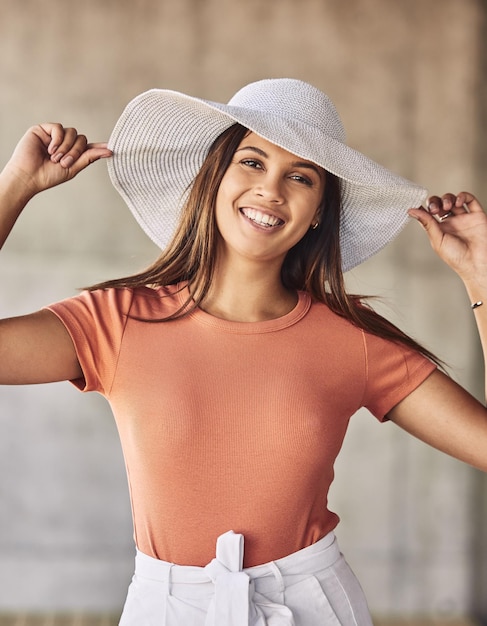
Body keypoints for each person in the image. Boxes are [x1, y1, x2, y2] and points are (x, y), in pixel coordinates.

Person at [0, 78, 486, 626]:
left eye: (300, 177)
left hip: (312, 607)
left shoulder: (355, 341)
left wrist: (481, 275)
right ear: (214, 176)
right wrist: (16, 183)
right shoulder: (115, 321)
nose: (271, 190)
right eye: (252, 162)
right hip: (165, 608)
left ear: (320, 210)